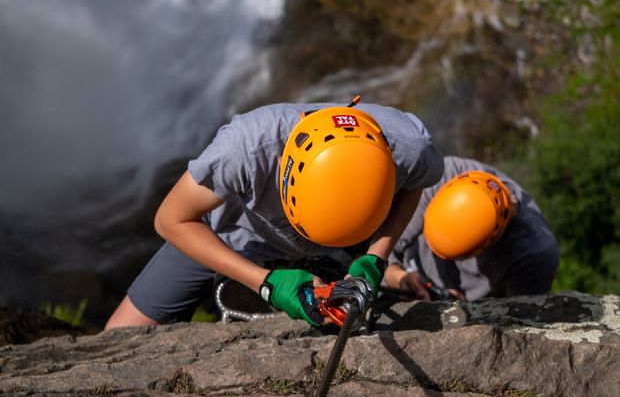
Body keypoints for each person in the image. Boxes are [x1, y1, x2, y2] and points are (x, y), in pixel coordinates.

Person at [105, 97, 444, 329]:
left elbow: (414, 186)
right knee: (121, 334)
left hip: (343, 248)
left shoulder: (409, 146)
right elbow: (170, 220)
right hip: (233, 236)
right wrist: (265, 284)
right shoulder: (244, 148)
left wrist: (375, 257)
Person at [384, 156, 559, 301]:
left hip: (469, 306)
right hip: (406, 270)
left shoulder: (534, 255)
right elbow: (384, 248)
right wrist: (399, 277)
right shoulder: (443, 176)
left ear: (487, 245)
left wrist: (467, 310)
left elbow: (516, 323)